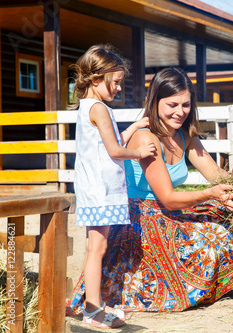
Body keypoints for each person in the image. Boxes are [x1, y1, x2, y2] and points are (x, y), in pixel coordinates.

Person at [68, 67, 233, 314]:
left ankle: (200, 285)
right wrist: (212, 194)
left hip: (168, 211)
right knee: (207, 237)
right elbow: (168, 198)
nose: (180, 112)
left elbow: (215, 175)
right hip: (140, 217)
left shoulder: (185, 136)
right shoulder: (146, 138)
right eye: (172, 104)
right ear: (155, 102)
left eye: (186, 105)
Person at [71, 44, 156, 328]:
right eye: (115, 82)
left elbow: (112, 142)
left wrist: (134, 126)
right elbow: (115, 151)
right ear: (96, 79)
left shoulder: (89, 107)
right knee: (98, 247)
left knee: (96, 245)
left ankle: (92, 305)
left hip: (93, 187)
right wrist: (140, 153)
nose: (119, 88)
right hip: (101, 189)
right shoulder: (100, 109)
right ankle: (93, 310)